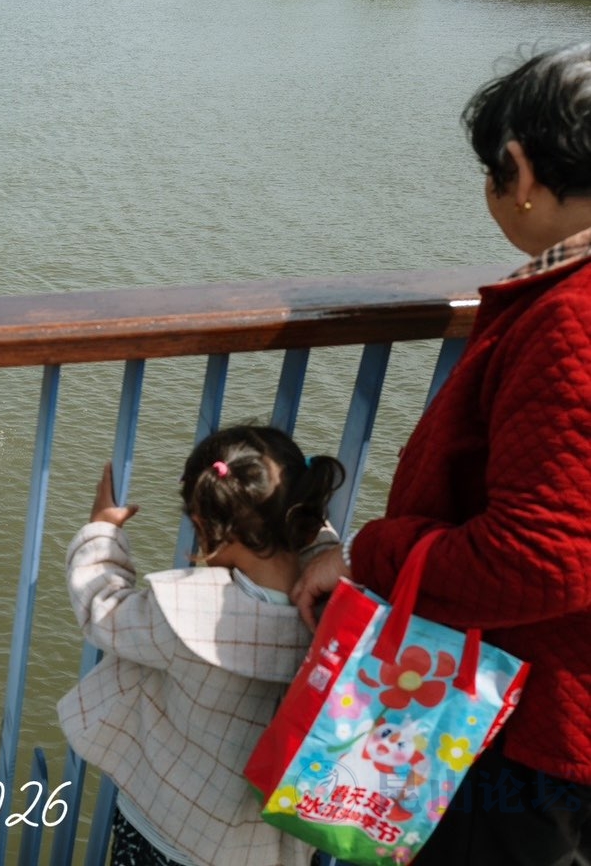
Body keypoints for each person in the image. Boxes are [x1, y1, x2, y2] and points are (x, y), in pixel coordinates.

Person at [291, 43, 591, 865]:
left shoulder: (572, 319)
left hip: (539, 725)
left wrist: (376, 554)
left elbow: (540, 558)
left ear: (517, 169)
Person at [59, 426, 345, 866]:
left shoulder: (186, 614)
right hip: (259, 852)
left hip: (164, 830)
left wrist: (101, 531)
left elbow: (103, 608)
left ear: (202, 526)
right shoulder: (336, 616)